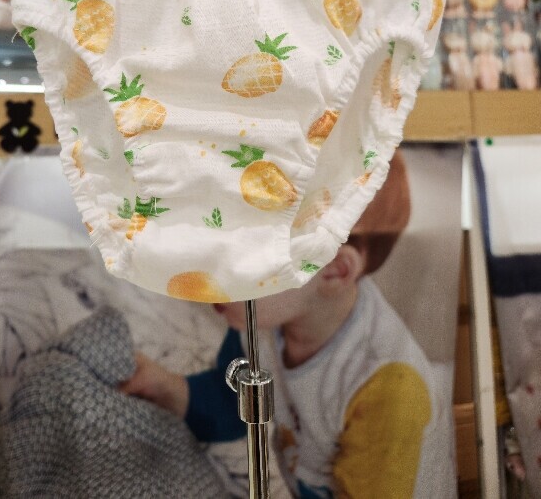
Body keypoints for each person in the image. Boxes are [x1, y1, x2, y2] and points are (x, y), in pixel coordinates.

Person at [121, 151, 454, 498]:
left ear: (334, 270)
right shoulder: (262, 319)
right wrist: (167, 388)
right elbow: (234, 402)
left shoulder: (386, 386)